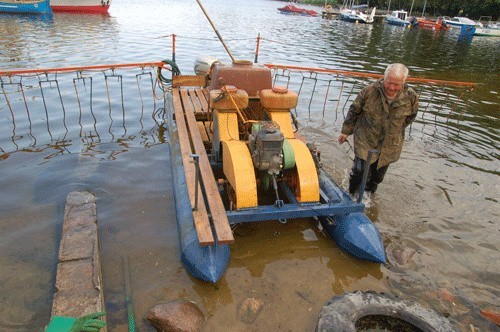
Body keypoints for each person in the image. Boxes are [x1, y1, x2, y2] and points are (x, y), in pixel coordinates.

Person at [338, 63, 419, 195]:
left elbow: (410, 117)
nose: (392, 88)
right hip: (366, 137)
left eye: (397, 84)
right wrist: (345, 131)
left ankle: (369, 197)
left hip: (389, 143)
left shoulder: (411, 97)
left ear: (404, 82)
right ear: (384, 78)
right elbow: (354, 111)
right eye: (389, 83)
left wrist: (395, 130)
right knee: (359, 171)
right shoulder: (369, 91)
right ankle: (351, 194)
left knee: (377, 176)